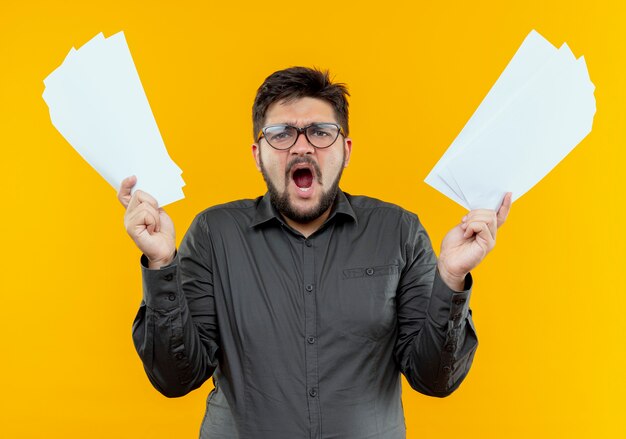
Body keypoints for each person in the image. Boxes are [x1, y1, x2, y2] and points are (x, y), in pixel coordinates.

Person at [118, 66, 512, 439]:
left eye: (321, 132)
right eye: (282, 133)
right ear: (258, 153)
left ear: (346, 149)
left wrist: (452, 278)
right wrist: (160, 263)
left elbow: (435, 379)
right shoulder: (213, 233)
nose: (302, 147)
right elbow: (175, 377)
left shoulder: (399, 232)